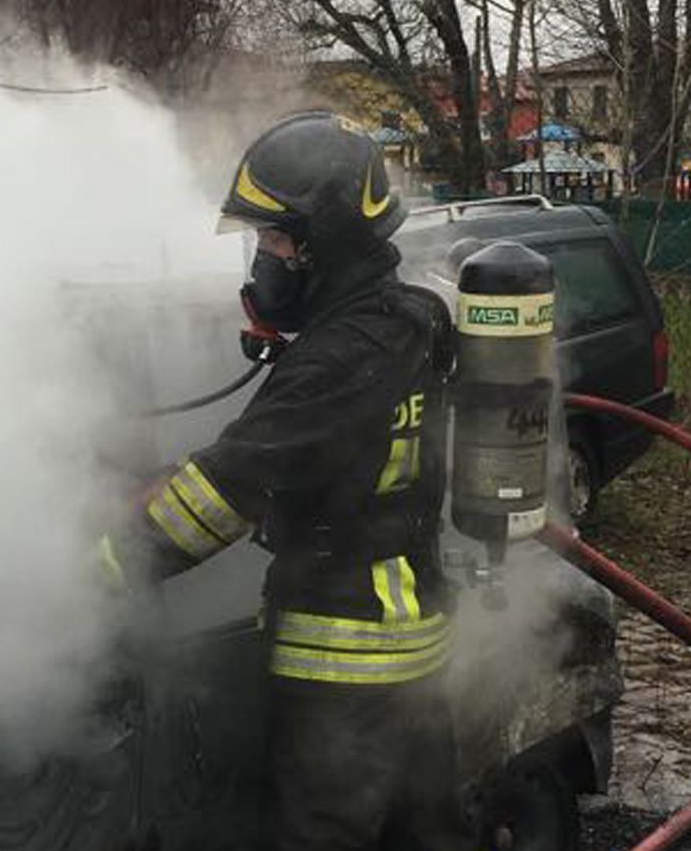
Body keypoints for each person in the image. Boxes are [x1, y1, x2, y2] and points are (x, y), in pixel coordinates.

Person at [98, 112, 469, 851]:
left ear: (321, 243)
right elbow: (305, 451)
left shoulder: (336, 358)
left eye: (272, 240)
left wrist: (104, 566)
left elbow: (231, 487)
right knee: (427, 832)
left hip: (345, 661)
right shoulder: (407, 319)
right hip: (413, 637)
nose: (260, 260)